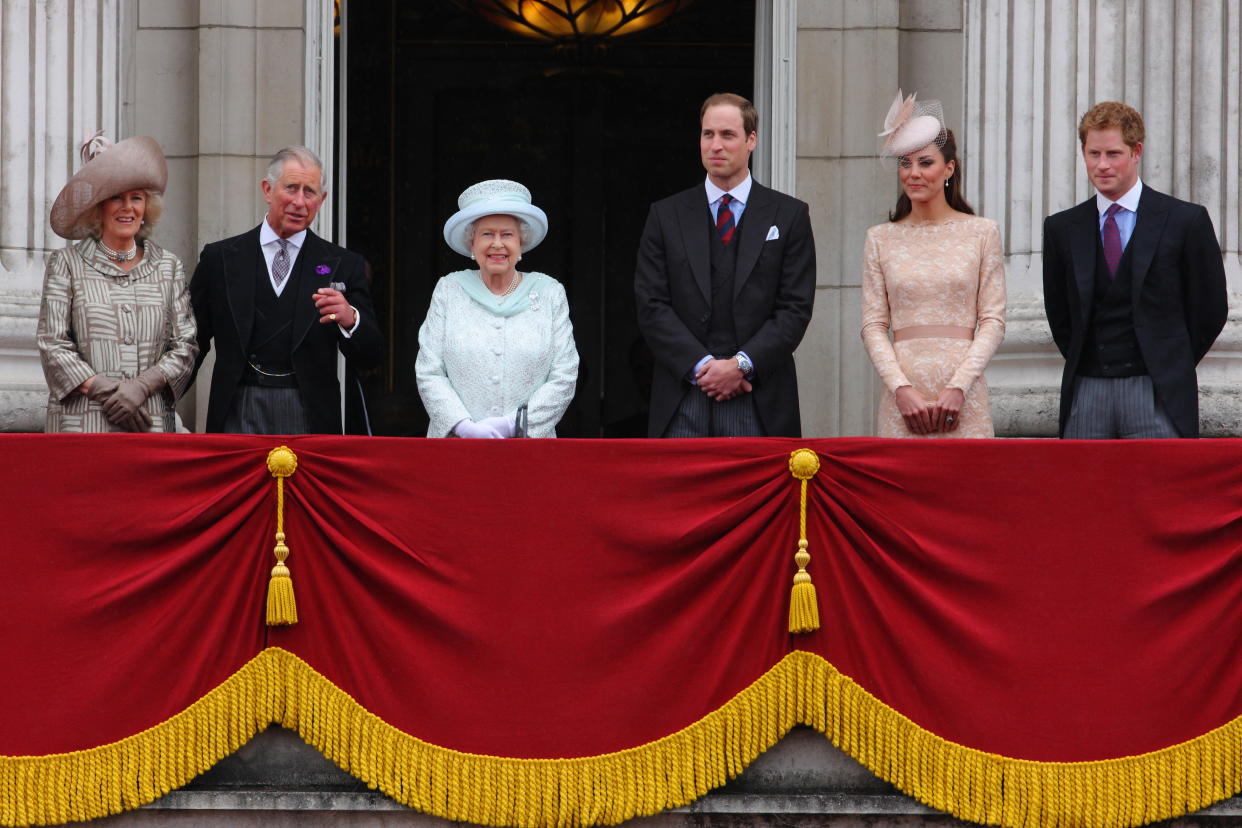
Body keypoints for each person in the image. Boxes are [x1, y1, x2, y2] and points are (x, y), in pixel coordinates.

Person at [634, 92, 815, 438]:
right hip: (684, 396)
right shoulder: (665, 215)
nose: (715, 145)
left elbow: (794, 308)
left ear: (751, 140)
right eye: (708, 134)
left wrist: (741, 366)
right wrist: (703, 367)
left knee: (758, 494)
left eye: (727, 135)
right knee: (680, 493)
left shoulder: (789, 215)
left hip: (759, 397)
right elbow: (651, 304)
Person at [1043, 101, 1227, 439]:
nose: (1102, 165)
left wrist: (1169, 362)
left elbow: (1210, 309)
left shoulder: (1185, 220)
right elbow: (1060, 313)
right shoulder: (1061, 228)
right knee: (1084, 489)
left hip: (1158, 391)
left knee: (1161, 490)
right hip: (1087, 390)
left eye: (1113, 154)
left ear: (1136, 151)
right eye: (1093, 153)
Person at [189, 146, 384, 434]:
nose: (299, 201)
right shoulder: (220, 259)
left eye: (310, 192)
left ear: (322, 200)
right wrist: (159, 402)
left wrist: (351, 318)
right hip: (237, 408)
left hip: (310, 415)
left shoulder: (344, 265)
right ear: (267, 190)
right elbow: (192, 343)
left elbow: (372, 356)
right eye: (291, 188)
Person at [861, 91, 1006, 438]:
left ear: (949, 168)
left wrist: (959, 387)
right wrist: (900, 388)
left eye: (925, 162)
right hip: (902, 401)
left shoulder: (982, 232)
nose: (913, 173)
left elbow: (992, 320)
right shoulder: (880, 238)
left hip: (965, 397)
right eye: (905, 163)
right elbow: (873, 324)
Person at [37, 132, 197, 433]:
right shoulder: (67, 264)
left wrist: (141, 388)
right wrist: (106, 390)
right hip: (83, 425)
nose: (128, 208)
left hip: (148, 423)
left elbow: (185, 346)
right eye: (116, 198)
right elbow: (52, 342)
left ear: (146, 207)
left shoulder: (168, 266)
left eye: (136, 198)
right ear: (97, 207)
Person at [416, 179, 578, 438]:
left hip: (528, 451)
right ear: (472, 243)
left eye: (507, 235)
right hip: (456, 448)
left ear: (521, 243)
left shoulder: (549, 293)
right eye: (487, 234)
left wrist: (513, 425)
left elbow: (565, 375)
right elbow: (429, 370)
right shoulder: (449, 290)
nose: (497, 244)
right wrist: (463, 427)